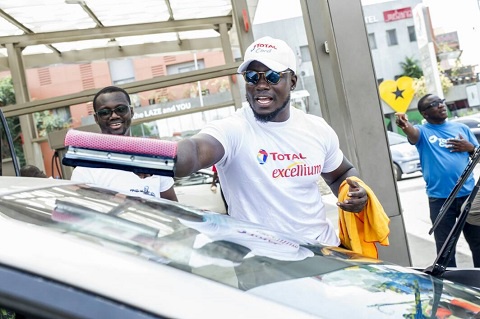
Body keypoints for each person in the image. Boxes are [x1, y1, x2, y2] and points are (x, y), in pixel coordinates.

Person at [173, 36, 373, 247]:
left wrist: (355, 192)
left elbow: (341, 173)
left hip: (323, 253)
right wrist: (162, 157)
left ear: (292, 82)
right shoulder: (233, 129)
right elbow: (195, 151)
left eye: (272, 76)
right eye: (251, 76)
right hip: (264, 264)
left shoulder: (317, 128)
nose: (261, 85)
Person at [396, 93, 480, 267]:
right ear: (425, 113)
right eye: (434, 104)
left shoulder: (461, 129)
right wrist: (404, 126)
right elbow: (412, 133)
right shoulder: (423, 132)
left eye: (441, 101)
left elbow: (477, 155)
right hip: (440, 200)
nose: (441, 105)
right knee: (445, 250)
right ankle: (450, 288)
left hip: (469, 198)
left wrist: (470, 147)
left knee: (478, 243)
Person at [71, 86, 178, 201]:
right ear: (96, 118)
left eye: (121, 109)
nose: (114, 116)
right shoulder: (85, 169)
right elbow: (81, 214)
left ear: (131, 111)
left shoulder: (153, 160)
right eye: (105, 112)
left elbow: (173, 208)